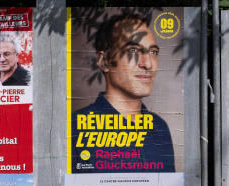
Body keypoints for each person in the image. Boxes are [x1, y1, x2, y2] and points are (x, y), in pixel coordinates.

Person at [71, 13, 174, 171]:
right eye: (133, 50)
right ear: (104, 61)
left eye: (153, 52)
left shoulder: (160, 128)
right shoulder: (75, 128)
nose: (148, 64)